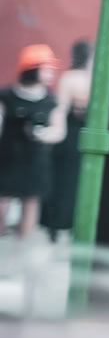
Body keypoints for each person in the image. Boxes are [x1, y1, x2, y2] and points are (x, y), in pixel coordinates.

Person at [0, 45, 66, 239]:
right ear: (32, 69)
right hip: (8, 158)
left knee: (31, 204)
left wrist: (42, 134)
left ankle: (20, 250)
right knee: (2, 203)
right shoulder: (7, 96)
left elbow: (58, 131)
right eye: (46, 69)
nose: (50, 74)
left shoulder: (50, 101)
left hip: (35, 160)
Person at [41, 40, 93, 239]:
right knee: (72, 181)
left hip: (72, 134)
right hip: (77, 133)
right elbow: (61, 109)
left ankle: (57, 223)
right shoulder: (86, 78)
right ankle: (66, 223)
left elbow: (60, 108)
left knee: (65, 181)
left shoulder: (71, 77)